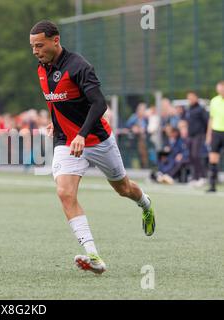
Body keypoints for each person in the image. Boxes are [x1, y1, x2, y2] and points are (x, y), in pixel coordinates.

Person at [29, 20, 155, 274]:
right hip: (66, 141)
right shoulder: (42, 69)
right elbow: (55, 102)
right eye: (32, 46)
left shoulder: (79, 67)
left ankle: (145, 204)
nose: (35, 51)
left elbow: (99, 105)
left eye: (39, 45)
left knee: (124, 188)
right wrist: (56, 124)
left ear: (56, 40)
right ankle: (93, 256)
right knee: (65, 192)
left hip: (97, 139)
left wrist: (82, 135)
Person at [185, 91, 208, 186]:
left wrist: (206, 135)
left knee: (196, 155)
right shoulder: (189, 109)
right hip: (190, 136)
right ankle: (195, 177)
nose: (189, 100)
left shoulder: (201, 109)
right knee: (191, 156)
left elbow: (207, 122)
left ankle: (202, 177)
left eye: (191, 97)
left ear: (196, 97)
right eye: (188, 98)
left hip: (199, 135)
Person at [206, 80, 224, 192]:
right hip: (216, 133)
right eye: (219, 88)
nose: (221, 90)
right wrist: (209, 135)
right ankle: (212, 185)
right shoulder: (214, 101)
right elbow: (211, 119)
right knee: (213, 159)